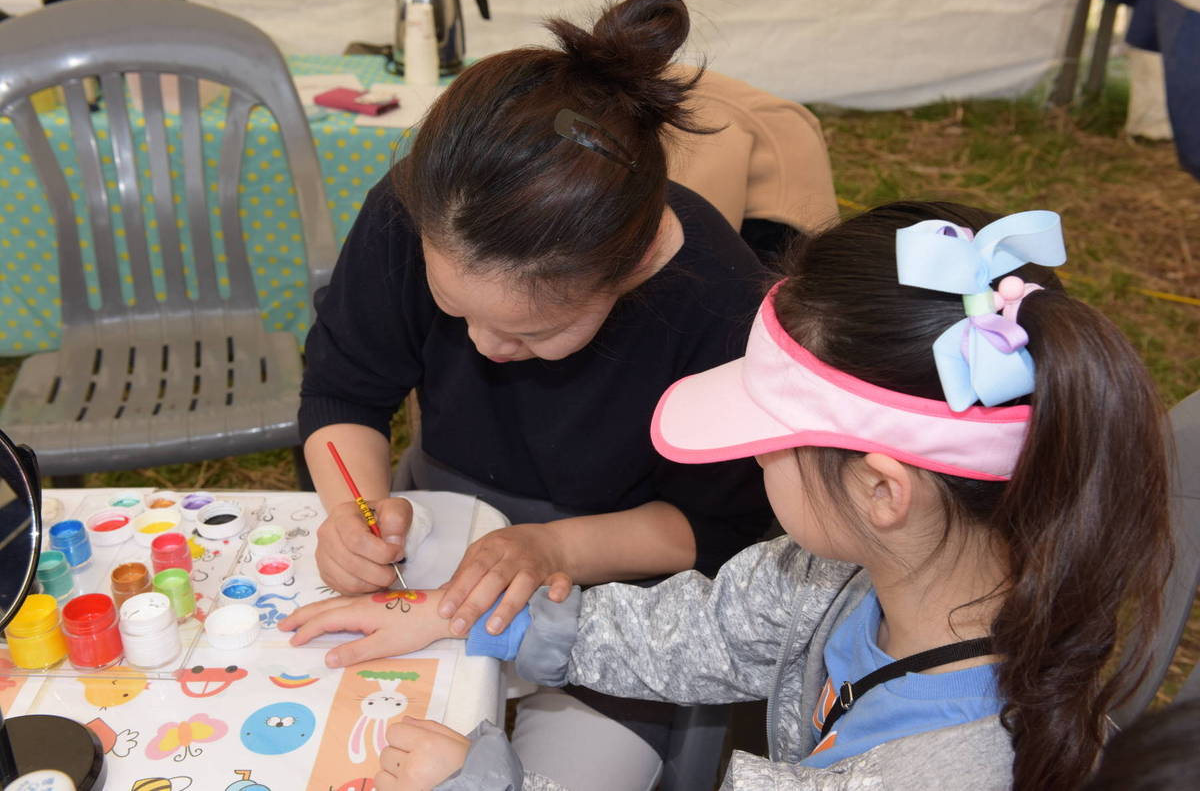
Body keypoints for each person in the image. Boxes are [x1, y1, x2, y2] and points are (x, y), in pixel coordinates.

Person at [284, 202, 1174, 789]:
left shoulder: (939, 769)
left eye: (770, 442)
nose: (752, 462)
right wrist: (475, 618)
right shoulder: (871, 574)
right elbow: (704, 631)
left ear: (882, 489)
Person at [297, 0, 774, 786]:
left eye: (531, 333)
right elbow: (345, 391)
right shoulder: (418, 209)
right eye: (455, 310)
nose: (484, 346)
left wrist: (554, 548)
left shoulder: (721, 308)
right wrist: (357, 511)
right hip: (441, 527)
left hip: (623, 589)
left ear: (629, 270)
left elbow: (713, 526)